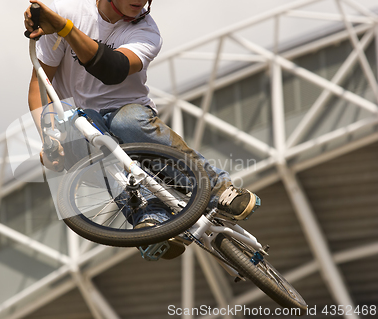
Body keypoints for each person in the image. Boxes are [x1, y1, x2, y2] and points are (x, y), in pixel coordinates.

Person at [24, 0, 260, 259]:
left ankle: (216, 188)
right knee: (88, 132)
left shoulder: (146, 32)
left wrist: (65, 29)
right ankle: (150, 217)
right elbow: (40, 82)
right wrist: (50, 137)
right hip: (79, 123)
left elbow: (112, 69)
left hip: (126, 113)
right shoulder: (68, 11)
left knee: (125, 121)